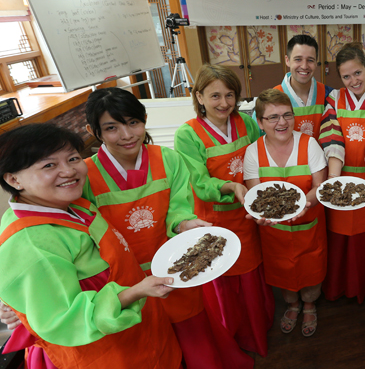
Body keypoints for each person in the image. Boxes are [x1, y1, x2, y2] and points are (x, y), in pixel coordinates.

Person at [82, 87, 252, 369]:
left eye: (133, 123)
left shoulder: (168, 159)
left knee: (192, 335)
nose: (126, 135)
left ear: (144, 119)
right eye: (111, 128)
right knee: (148, 344)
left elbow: (178, 207)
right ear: (94, 131)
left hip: (174, 269)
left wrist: (185, 223)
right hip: (125, 282)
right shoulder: (86, 175)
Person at [0, 124, 181, 369]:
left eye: (73, 158)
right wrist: (136, 292)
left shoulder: (71, 205)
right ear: (13, 179)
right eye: (49, 165)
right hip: (102, 352)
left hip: (135, 332)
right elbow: (65, 319)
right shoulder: (32, 242)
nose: (68, 171)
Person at [174, 64, 274, 357]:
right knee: (222, 280)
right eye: (214, 95)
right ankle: (231, 337)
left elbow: (260, 158)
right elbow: (199, 181)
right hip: (213, 219)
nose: (223, 103)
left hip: (248, 213)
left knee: (251, 273)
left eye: (230, 95)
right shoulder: (187, 134)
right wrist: (231, 187)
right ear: (199, 96)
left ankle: (258, 329)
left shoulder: (246, 122)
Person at [243, 88, 328, 337]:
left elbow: (318, 186)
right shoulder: (253, 152)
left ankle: (310, 304)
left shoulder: (309, 143)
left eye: (287, 115)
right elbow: (256, 194)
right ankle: (292, 304)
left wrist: (305, 204)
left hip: (308, 223)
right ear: (259, 122)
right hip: (274, 230)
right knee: (282, 271)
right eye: (273, 117)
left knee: (311, 269)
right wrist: (260, 213)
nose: (282, 122)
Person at [319, 41, 365, 304]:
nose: (353, 80)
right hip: (339, 176)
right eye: (346, 76)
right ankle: (338, 285)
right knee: (339, 234)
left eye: (358, 73)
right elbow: (332, 135)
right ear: (339, 77)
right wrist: (334, 179)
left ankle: (363, 283)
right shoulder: (334, 98)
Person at [263, 34, 334, 140]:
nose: (304, 66)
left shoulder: (329, 95)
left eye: (310, 60)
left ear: (316, 62)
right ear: (287, 60)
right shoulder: (269, 100)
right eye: (298, 59)